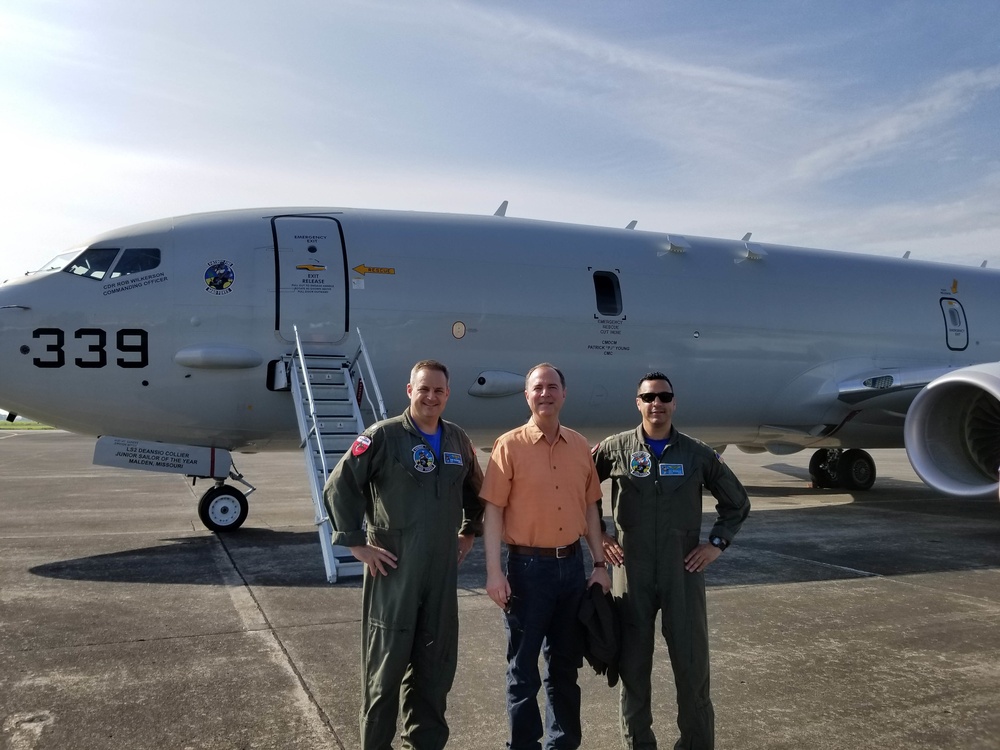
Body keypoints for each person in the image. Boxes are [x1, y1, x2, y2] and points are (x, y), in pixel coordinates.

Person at [323, 360, 484, 750]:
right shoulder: (383, 436)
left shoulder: (457, 440)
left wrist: (469, 531)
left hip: (440, 573)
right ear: (409, 391)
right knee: (385, 672)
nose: (431, 397)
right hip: (394, 571)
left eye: (438, 391)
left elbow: (477, 489)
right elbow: (339, 486)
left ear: (447, 394)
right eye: (423, 389)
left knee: (435, 669)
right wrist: (356, 543)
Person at [592, 372, 750, 750]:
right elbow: (579, 488)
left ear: (674, 403)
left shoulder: (696, 453)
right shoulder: (615, 449)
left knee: (692, 668)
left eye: (664, 397)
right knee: (632, 669)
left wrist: (716, 543)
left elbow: (737, 503)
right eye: (648, 397)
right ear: (638, 403)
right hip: (631, 574)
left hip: (684, 572)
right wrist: (599, 534)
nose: (656, 404)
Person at [482, 363, 611, 750]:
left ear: (564, 394)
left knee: (565, 668)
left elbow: (590, 510)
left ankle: (563, 743)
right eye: (537, 388)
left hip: (571, 570)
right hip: (527, 570)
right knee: (523, 671)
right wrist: (493, 573)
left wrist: (599, 564)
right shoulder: (509, 446)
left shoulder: (579, 446)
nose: (545, 394)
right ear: (527, 396)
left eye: (552, 387)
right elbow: (493, 513)